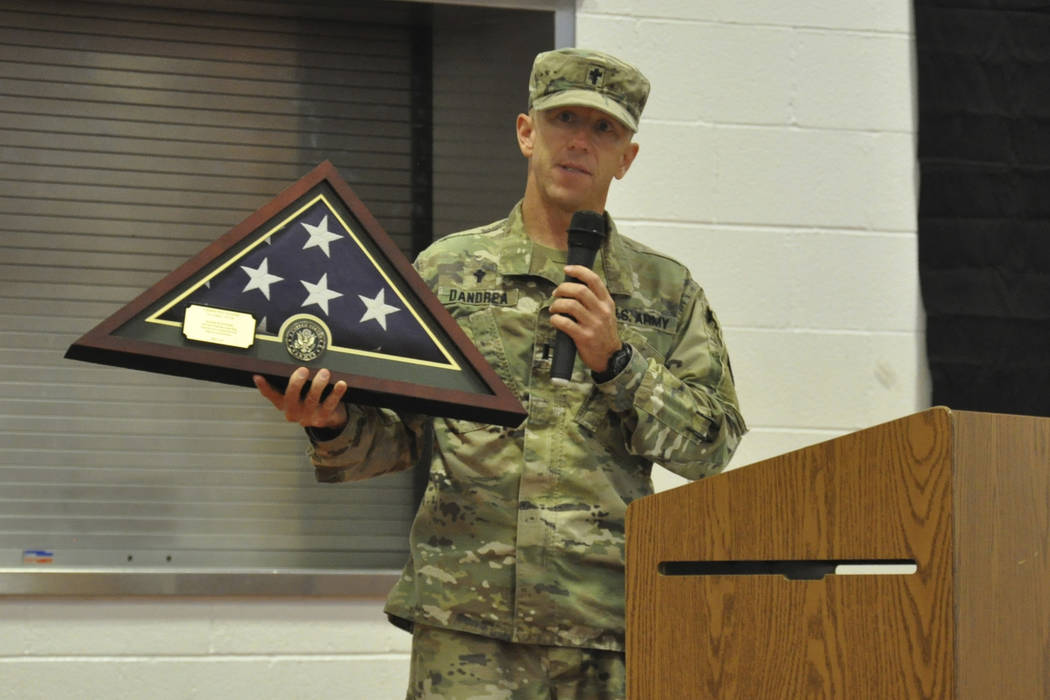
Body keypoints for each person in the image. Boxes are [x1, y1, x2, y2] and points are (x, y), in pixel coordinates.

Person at [254, 48, 746, 699]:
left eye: (603, 129)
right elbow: (399, 435)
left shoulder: (666, 291)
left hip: (603, 630)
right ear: (526, 132)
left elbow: (712, 450)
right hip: (466, 629)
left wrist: (620, 364)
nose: (578, 141)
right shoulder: (446, 272)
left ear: (627, 158)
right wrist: (331, 424)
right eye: (563, 118)